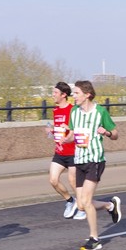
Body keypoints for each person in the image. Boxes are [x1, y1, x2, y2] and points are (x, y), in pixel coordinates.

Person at [69, 80, 121, 250]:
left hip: (95, 160)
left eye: (76, 93)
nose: (73, 96)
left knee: (86, 201)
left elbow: (115, 134)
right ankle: (109, 206)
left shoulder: (100, 112)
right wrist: (64, 137)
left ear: (87, 95)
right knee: (81, 205)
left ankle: (94, 239)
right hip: (79, 160)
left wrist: (106, 132)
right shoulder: (74, 112)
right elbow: (72, 135)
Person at [46, 81, 80, 218]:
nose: (53, 95)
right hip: (60, 152)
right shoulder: (55, 110)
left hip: (73, 152)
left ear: (64, 95)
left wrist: (70, 129)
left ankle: (83, 206)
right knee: (53, 180)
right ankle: (70, 201)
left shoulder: (73, 110)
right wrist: (52, 131)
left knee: (73, 182)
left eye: (55, 92)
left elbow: (78, 130)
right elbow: (59, 130)